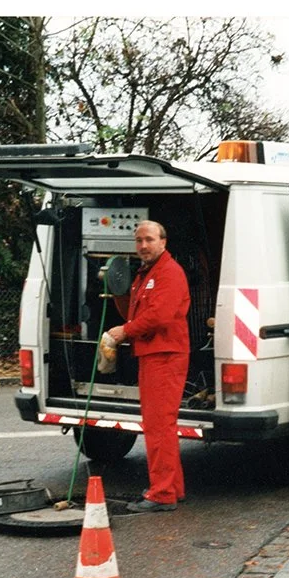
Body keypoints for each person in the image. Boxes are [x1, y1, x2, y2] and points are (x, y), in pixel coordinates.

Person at [108, 220, 190, 513]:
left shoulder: (169, 273)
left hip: (165, 356)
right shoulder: (147, 273)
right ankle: (172, 488)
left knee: (158, 427)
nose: (143, 245)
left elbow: (159, 317)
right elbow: (134, 309)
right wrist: (116, 288)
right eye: (139, 240)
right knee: (161, 425)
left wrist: (124, 332)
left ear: (163, 242)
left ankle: (163, 493)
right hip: (155, 354)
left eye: (149, 240)